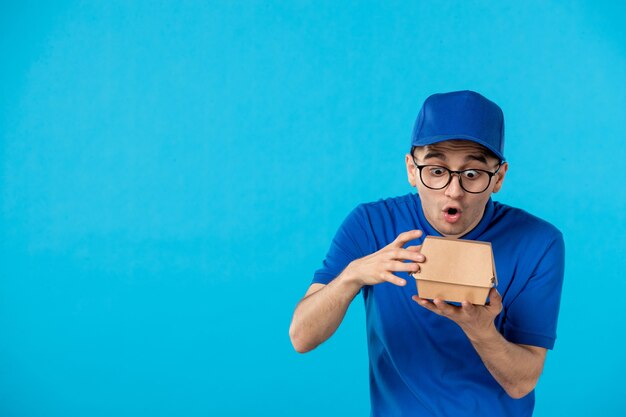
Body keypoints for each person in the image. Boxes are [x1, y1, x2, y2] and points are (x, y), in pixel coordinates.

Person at [289, 90, 565, 417]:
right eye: (436, 171)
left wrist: (480, 329)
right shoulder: (371, 225)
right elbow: (302, 337)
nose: (453, 190)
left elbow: (521, 383)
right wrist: (352, 275)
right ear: (411, 168)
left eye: (472, 174)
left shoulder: (538, 242)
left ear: (499, 178)